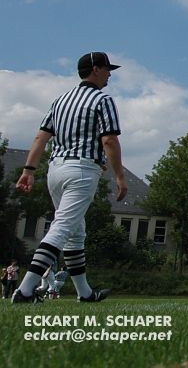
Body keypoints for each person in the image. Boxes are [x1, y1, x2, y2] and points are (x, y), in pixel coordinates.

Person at [12, 51, 128, 304]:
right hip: (82, 170)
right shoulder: (102, 100)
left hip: (55, 171)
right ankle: (26, 289)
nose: (109, 74)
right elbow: (109, 139)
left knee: (76, 231)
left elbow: (41, 137)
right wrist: (119, 175)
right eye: (107, 69)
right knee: (63, 227)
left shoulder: (60, 100)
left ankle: (85, 293)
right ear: (96, 69)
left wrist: (28, 170)